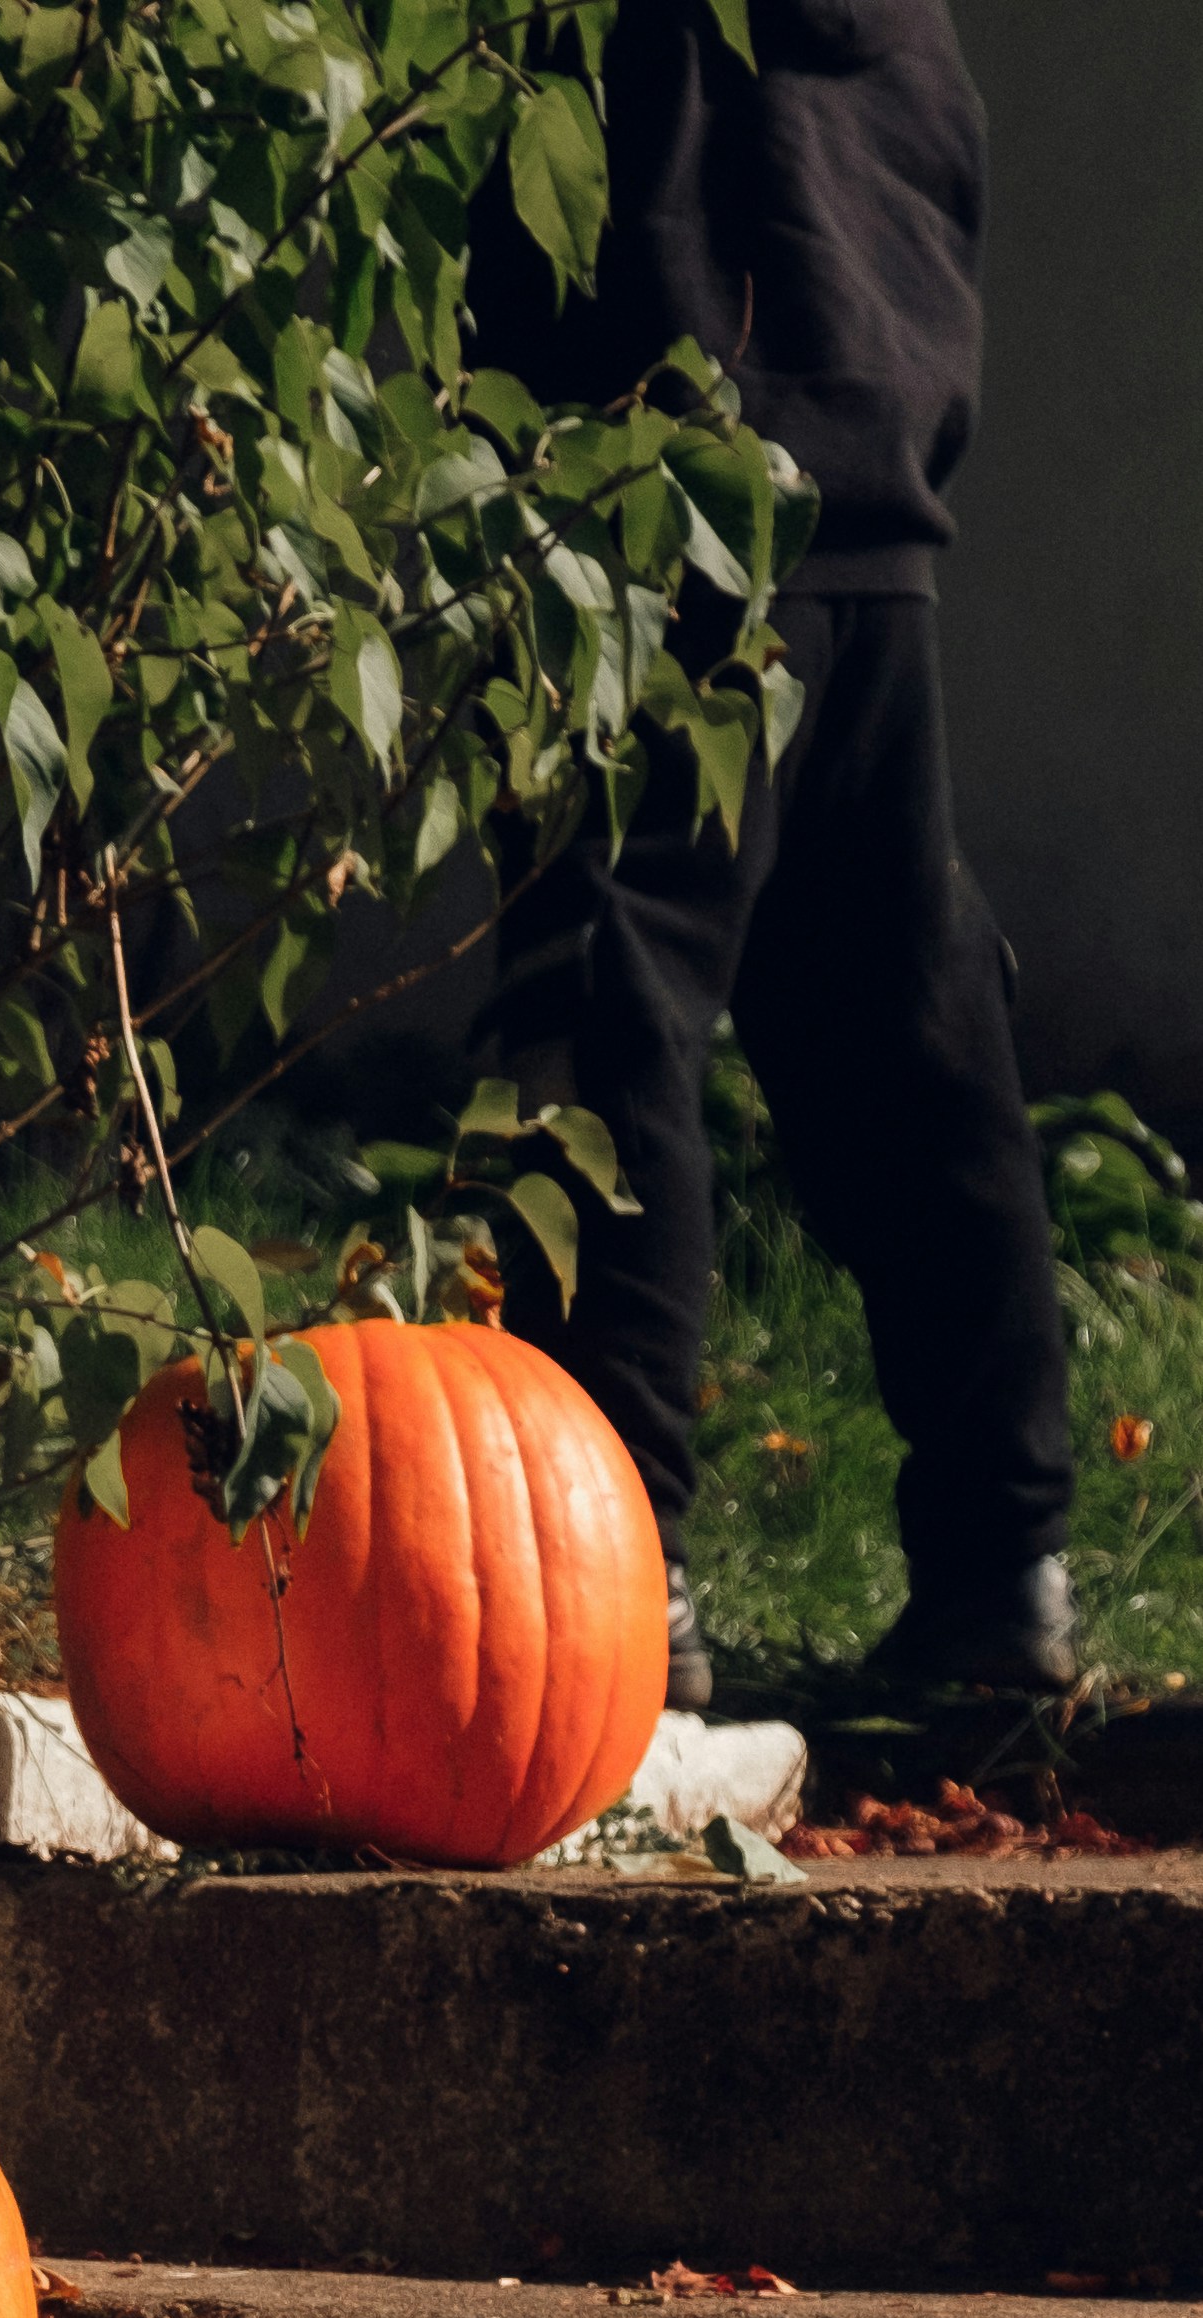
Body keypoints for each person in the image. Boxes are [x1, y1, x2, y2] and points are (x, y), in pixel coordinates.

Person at [475, 0, 1074, 1708]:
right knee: (904, 1030)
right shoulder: (901, 30)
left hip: (659, 511)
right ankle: (999, 1565)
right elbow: (941, 193)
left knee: (604, 1002)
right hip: (875, 525)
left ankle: (620, 1581)